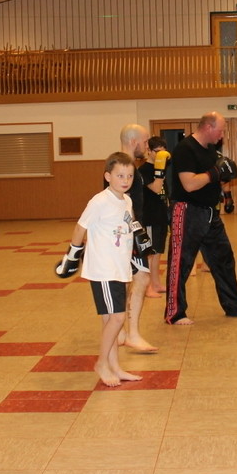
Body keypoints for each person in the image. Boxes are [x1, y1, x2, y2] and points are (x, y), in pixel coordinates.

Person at [55, 152, 146, 387]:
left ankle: (115, 366)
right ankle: (102, 363)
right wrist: (72, 257)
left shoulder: (126, 201)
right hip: (104, 269)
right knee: (117, 318)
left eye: (129, 176)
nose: (125, 180)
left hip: (120, 268)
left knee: (110, 320)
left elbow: (128, 227)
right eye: (120, 176)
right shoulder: (99, 201)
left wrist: (138, 248)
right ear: (108, 177)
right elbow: (80, 228)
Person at [164, 111, 237, 325]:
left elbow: (217, 178)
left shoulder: (210, 150)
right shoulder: (185, 149)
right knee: (181, 263)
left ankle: (235, 305)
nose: (222, 135)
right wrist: (214, 173)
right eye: (221, 130)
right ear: (208, 127)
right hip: (187, 211)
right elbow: (189, 184)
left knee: (224, 258)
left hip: (209, 212)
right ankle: (175, 313)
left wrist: (226, 194)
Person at [116, 124, 157, 352]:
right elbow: (121, 203)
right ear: (133, 142)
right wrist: (136, 234)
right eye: (145, 140)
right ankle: (132, 333)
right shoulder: (125, 168)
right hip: (128, 234)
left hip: (129, 232)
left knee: (126, 281)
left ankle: (121, 332)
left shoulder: (125, 165)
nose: (147, 145)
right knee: (141, 279)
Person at [139, 135, 171, 296]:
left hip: (161, 215)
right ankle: (148, 287)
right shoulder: (144, 170)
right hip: (150, 216)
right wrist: (159, 170)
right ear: (149, 151)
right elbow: (157, 189)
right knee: (150, 254)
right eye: (157, 152)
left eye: (162, 152)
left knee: (158, 252)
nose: (160, 155)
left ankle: (156, 283)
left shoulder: (163, 167)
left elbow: (165, 192)